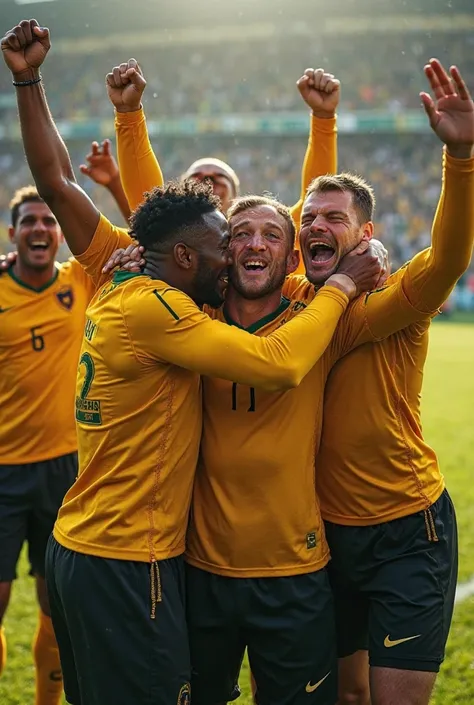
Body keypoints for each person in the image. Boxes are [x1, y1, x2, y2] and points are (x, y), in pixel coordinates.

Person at [1, 19, 378, 705]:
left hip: (84, 543)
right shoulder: (159, 307)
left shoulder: (124, 279)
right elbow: (279, 360)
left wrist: (28, 80)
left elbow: (59, 185)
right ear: (183, 259)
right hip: (128, 556)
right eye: (219, 250)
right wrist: (344, 285)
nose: (230, 260)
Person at [108, 58, 474, 705]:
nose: (261, 242)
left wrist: (462, 160)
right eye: (240, 234)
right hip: (288, 543)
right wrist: (131, 121)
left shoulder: (335, 310)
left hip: (382, 531)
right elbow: (168, 217)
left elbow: (426, 255)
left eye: (272, 234)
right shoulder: (203, 310)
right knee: (347, 691)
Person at [309, 59, 474, 705]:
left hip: (407, 528)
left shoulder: (395, 299)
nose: (318, 225)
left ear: (367, 235)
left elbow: (451, 256)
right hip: (321, 532)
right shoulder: (294, 304)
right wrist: (322, 124)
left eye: (335, 218)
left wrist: (459, 160)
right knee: (344, 696)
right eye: (309, 217)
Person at [85, 58, 338, 274]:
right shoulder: (165, 243)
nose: (207, 180)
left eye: (218, 178)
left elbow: (315, 203)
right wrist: (128, 113)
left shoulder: (269, 240)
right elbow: (148, 203)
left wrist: (324, 119)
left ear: (238, 199)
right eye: (198, 177)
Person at [0, 185, 102, 705]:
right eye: (29, 221)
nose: (40, 228)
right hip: (2, 470)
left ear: (59, 234)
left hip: (65, 469)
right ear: (12, 232)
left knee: (52, 602)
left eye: (48, 221)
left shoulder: (78, 279)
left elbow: (120, 237)